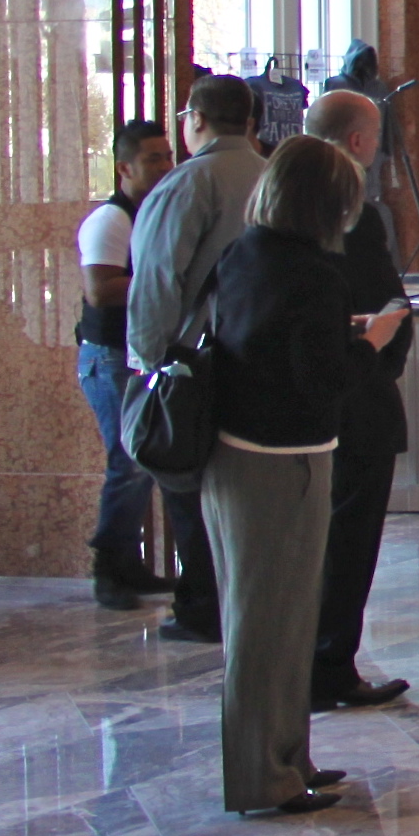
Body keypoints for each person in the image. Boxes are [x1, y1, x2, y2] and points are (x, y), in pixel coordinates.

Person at [202, 133, 394, 816]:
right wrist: (367, 345)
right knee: (267, 629)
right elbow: (323, 384)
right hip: (277, 463)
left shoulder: (245, 254)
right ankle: (265, 776)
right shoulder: (313, 275)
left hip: (243, 457)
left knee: (280, 622)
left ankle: (289, 760)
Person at [128, 74, 271, 640]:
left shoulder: (189, 184)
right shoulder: (273, 176)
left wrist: (147, 358)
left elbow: (159, 278)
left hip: (198, 361)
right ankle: (243, 598)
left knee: (186, 481)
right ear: (251, 121)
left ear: (196, 121)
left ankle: (202, 604)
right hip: (263, 359)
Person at [296, 91, 412, 712]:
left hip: (299, 407)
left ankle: (308, 663)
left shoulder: (272, 215)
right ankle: (330, 666)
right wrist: (383, 360)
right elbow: (386, 306)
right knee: (349, 539)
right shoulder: (353, 215)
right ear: (362, 143)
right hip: (356, 398)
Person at [77, 119, 177, 611]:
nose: (164, 166)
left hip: (140, 354)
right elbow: (100, 291)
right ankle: (109, 566)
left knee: (140, 460)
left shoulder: (155, 214)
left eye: (167, 156)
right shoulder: (111, 221)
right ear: (125, 167)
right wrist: (166, 282)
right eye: (153, 158)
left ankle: (129, 563)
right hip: (109, 357)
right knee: (128, 460)